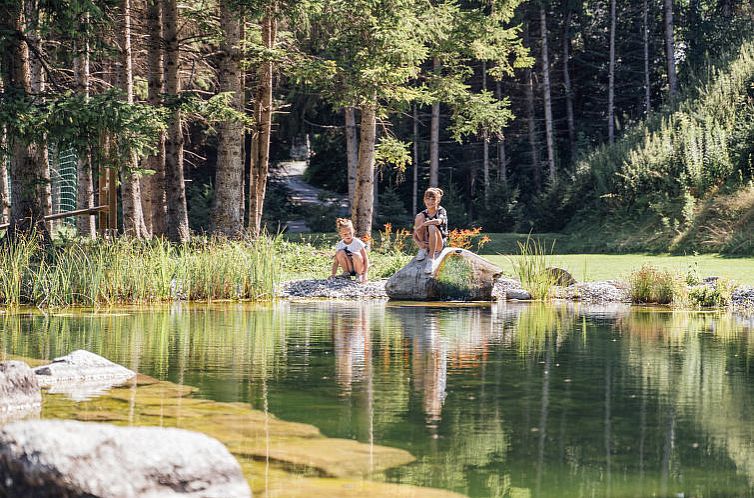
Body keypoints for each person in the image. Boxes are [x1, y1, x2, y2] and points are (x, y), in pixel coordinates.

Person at [413, 187, 448, 273]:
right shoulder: (422, 214)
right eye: (428, 198)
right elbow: (415, 232)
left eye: (433, 199)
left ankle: (431, 259)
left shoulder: (441, 211)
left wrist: (425, 223)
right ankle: (423, 249)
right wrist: (419, 243)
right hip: (426, 243)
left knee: (432, 226)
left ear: (438, 200)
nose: (430, 201)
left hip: (439, 244)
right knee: (419, 217)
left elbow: (439, 221)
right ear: (424, 200)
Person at [329, 218, 369, 283]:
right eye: (345, 234)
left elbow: (365, 259)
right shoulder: (340, 245)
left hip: (358, 267)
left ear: (353, 231)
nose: (348, 235)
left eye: (350, 233)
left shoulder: (357, 242)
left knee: (356, 254)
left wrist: (365, 274)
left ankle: (359, 276)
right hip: (349, 267)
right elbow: (336, 262)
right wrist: (333, 274)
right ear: (340, 234)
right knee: (340, 252)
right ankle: (346, 274)